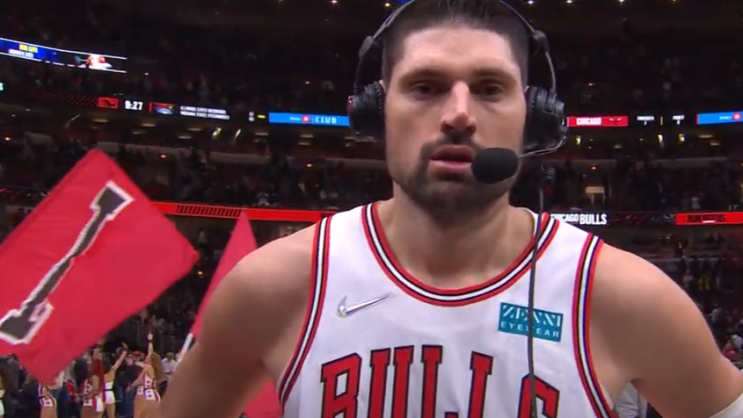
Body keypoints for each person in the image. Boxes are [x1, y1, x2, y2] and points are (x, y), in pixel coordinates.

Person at [160, 0, 743, 417]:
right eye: (426, 87)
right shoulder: (277, 285)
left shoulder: (623, 297)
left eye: (490, 88)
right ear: (377, 112)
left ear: (533, 118)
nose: (459, 114)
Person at [133, 334, 163, 418]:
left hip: (147, 394)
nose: (146, 356)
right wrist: (150, 341)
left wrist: (135, 361)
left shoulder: (149, 367)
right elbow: (151, 353)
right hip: (153, 394)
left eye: (148, 357)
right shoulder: (153, 367)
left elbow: (141, 363)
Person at [103, 350, 127, 418]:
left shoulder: (100, 374)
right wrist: (124, 354)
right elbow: (119, 362)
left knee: (98, 415)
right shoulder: (112, 371)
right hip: (110, 394)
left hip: (102, 394)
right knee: (112, 416)